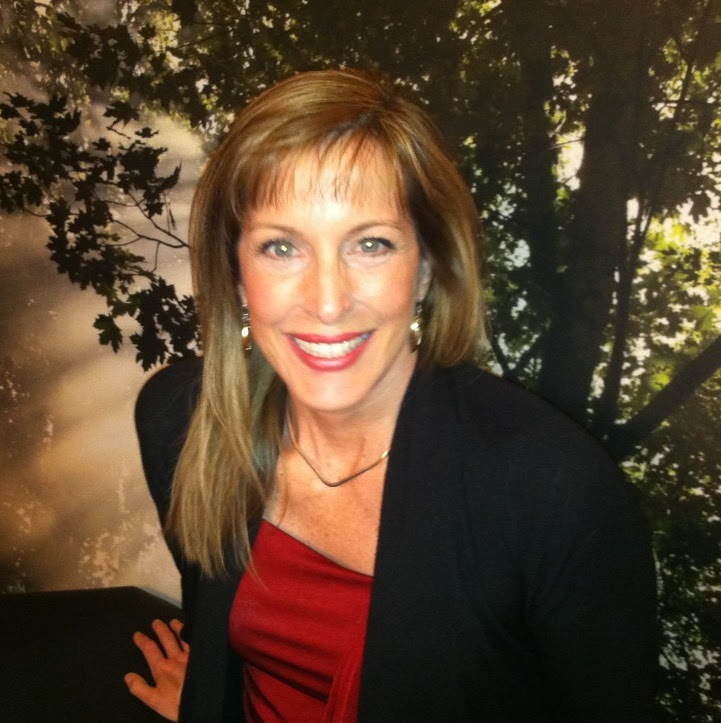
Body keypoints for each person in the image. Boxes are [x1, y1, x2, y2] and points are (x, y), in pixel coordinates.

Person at [125, 68, 657, 722]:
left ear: (426, 267)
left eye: (370, 244)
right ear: (236, 272)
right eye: (281, 247)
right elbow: (230, 640)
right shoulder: (183, 424)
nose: (327, 301)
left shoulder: (553, 492)